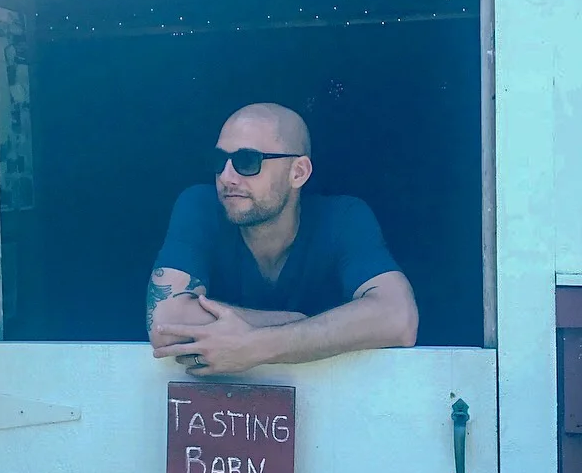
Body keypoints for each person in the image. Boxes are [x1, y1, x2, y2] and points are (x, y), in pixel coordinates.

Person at [148, 102, 418, 375]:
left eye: (247, 161)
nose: (227, 177)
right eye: (220, 161)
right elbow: (165, 323)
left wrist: (257, 346)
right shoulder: (201, 207)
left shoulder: (342, 218)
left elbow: (399, 318)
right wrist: (296, 322)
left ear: (298, 172)